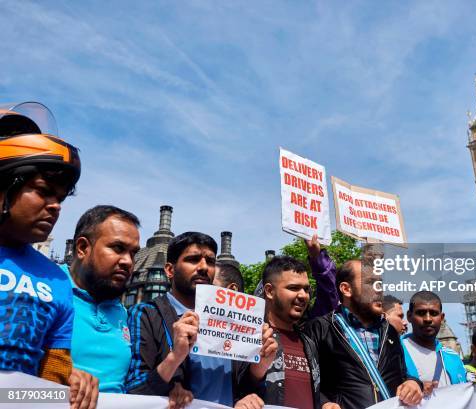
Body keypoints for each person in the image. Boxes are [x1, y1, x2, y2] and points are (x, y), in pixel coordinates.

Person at [0, 102, 97, 408]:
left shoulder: (56, 279)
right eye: (42, 190)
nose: (56, 206)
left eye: (60, 197)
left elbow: (44, 385)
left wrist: (69, 386)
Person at [126, 232, 276, 409]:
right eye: (193, 259)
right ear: (169, 270)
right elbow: (134, 392)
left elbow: (246, 388)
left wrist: (259, 369)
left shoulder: (232, 320)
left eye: (210, 261)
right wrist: (175, 358)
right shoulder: (146, 314)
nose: (204, 267)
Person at [304, 259, 423, 409]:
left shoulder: (390, 331)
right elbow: (305, 381)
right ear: (346, 289)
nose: (379, 289)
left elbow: (403, 375)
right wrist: (323, 403)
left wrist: (413, 383)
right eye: (370, 282)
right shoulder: (320, 328)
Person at [66, 205, 140, 394]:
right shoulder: (44, 289)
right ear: (83, 248)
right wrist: (56, 378)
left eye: (133, 253)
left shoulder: (123, 312)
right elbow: (9, 394)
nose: (128, 262)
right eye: (118, 248)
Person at [237, 256, 321, 409]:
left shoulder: (309, 343)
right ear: (269, 291)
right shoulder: (250, 335)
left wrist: (326, 403)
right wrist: (258, 370)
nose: (303, 295)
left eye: (307, 289)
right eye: (293, 288)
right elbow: (236, 389)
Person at [400, 291, 468, 395]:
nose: (428, 319)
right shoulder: (395, 351)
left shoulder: (453, 357)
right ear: (409, 316)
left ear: (442, 318)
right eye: (421, 313)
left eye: (434, 313)